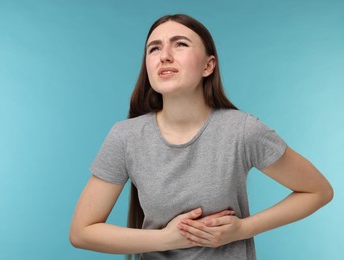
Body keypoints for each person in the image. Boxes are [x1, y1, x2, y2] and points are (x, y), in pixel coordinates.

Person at [69, 14, 333, 259]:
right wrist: (165, 239)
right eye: (154, 48)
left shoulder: (242, 131)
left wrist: (243, 229)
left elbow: (318, 191)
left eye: (180, 44)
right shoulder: (125, 137)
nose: (165, 56)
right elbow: (82, 231)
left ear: (209, 65)